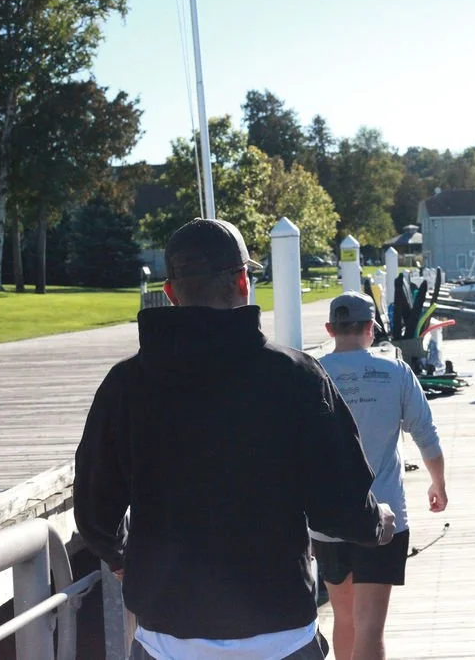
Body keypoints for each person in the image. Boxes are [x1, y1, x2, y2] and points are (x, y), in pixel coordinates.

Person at [73, 218, 396, 660]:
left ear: (171, 294)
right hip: (280, 635)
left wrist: (123, 558)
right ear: (243, 282)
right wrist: (379, 523)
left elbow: (93, 508)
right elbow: (340, 508)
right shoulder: (297, 377)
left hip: (167, 637)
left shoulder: (126, 384)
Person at [312, 292, 448, 660]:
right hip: (384, 514)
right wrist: (438, 483)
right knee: (371, 624)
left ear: (330, 329)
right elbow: (426, 436)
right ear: (370, 329)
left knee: (343, 617)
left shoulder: (312, 373)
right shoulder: (396, 373)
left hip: (327, 517)